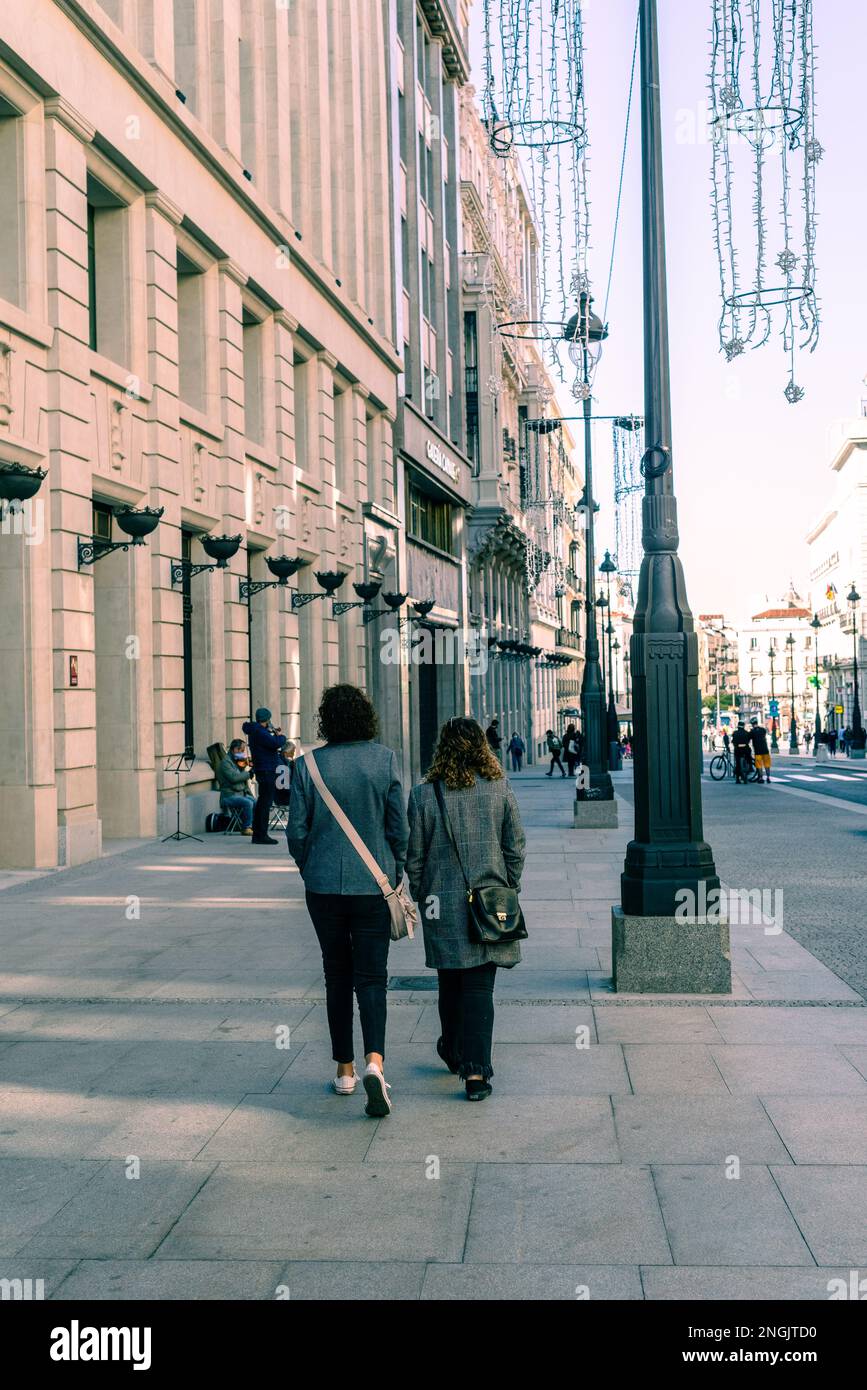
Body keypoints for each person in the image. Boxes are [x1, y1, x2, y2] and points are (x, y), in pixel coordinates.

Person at [286, 684, 408, 1116]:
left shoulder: (308, 766)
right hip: (374, 886)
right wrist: (397, 870)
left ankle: (344, 1069)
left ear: (326, 721)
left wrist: (311, 867)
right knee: (372, 978)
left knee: (336, 975)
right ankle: (375, 1061)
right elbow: (399, 827)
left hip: (323, 889)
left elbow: (296, 831)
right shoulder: (385, 760)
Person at [406, 717, 525, 1102]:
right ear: (481, 746)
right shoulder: (499, 788)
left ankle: (454, 1050)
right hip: (489, 902)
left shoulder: (425, 794)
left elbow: (415, 858)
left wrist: (425, 893)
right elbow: (515, 846)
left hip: (440, 903)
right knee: (479, 986)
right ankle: (476, 1073)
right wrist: (509, 885)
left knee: (450, 981)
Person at [215, 739, 256, 833]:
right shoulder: (226, 763)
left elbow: (241, 773)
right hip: (229, 795)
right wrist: (249, 773)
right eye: (241, 750)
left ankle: (255, 825)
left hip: (240, 793)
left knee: (255, 801)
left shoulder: (236, 761)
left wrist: (246, 765)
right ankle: (246, 827)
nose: (243, 753)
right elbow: (234, 778)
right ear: (235, 749)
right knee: (248, 803)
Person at [749, 718, 772, 784]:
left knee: (759, 765)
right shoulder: (763, 730)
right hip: (765, 750)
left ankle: (761, 778)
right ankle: (768, 778)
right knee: (767, 765)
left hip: (758, 751)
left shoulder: (752, 731)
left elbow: (749, 739)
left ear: (752, 724)